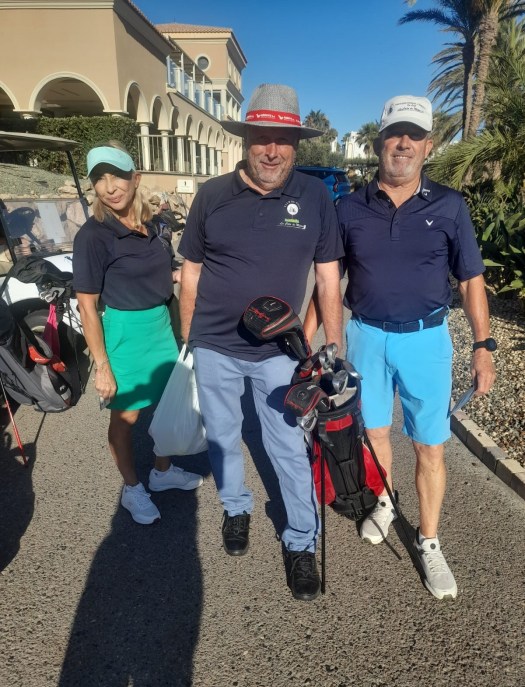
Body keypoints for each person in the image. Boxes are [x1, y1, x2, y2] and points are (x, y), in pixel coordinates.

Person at [307, 95, 496, 600]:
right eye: (395, 134)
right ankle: (387, 503)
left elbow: (471, 280)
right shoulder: (349, 207)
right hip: (365, 336)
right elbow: (329, 280)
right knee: (373, 434)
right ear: (379, 143)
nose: (404, 143)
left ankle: (429, 541)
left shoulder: (450, 206)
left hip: (426, 340)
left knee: (429, 445)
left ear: (428, 146)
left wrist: (483, 346)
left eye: (414, 135)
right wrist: (309, 340)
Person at [178, 84, 343, 601]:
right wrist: (190, 338)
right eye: (261, 139)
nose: (272, 151)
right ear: (245, 140)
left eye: (282, 140)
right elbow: (190, 270)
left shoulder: (315, 197)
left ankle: (301, 540)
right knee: (224, 437)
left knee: (288, 446)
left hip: (279, 351)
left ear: (296, 144)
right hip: (215, 346)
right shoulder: (211, 195)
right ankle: (236, 507)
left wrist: (331, 347)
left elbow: (327, 276)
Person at [73, 143, 203, 525]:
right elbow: (86, 307)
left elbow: (161, 271)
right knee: (126, 417)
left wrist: (181, 277)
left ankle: (162, 472)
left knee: (167, 404)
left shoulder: (157, 225)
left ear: (136, 178)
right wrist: (102, 367)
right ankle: (132, 488)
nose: (110, 186)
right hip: (125, 332)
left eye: (117, 176)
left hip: (162, 325)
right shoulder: (93, 236)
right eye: (100, 179)